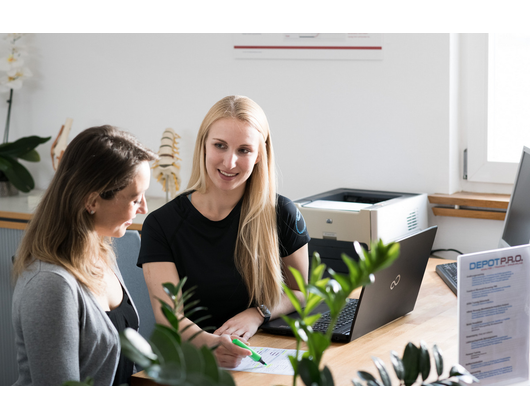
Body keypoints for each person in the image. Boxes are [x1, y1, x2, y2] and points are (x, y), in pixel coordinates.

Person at [138, 95, 310, 368]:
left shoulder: (282, 213)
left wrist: (258, 314)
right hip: (193, 360)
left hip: (264, 354)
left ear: (259, 155)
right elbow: (169, 317)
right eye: (220, 146)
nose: (230, 162)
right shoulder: (161, 224)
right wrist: (212, 343)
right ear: (203, 145)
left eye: (244, 150)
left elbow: (300, 291)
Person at [11, 125, 157, 386]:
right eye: (135, 199)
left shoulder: (102, 251)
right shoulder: (50, 285)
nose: (144, 208)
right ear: (92, 201)